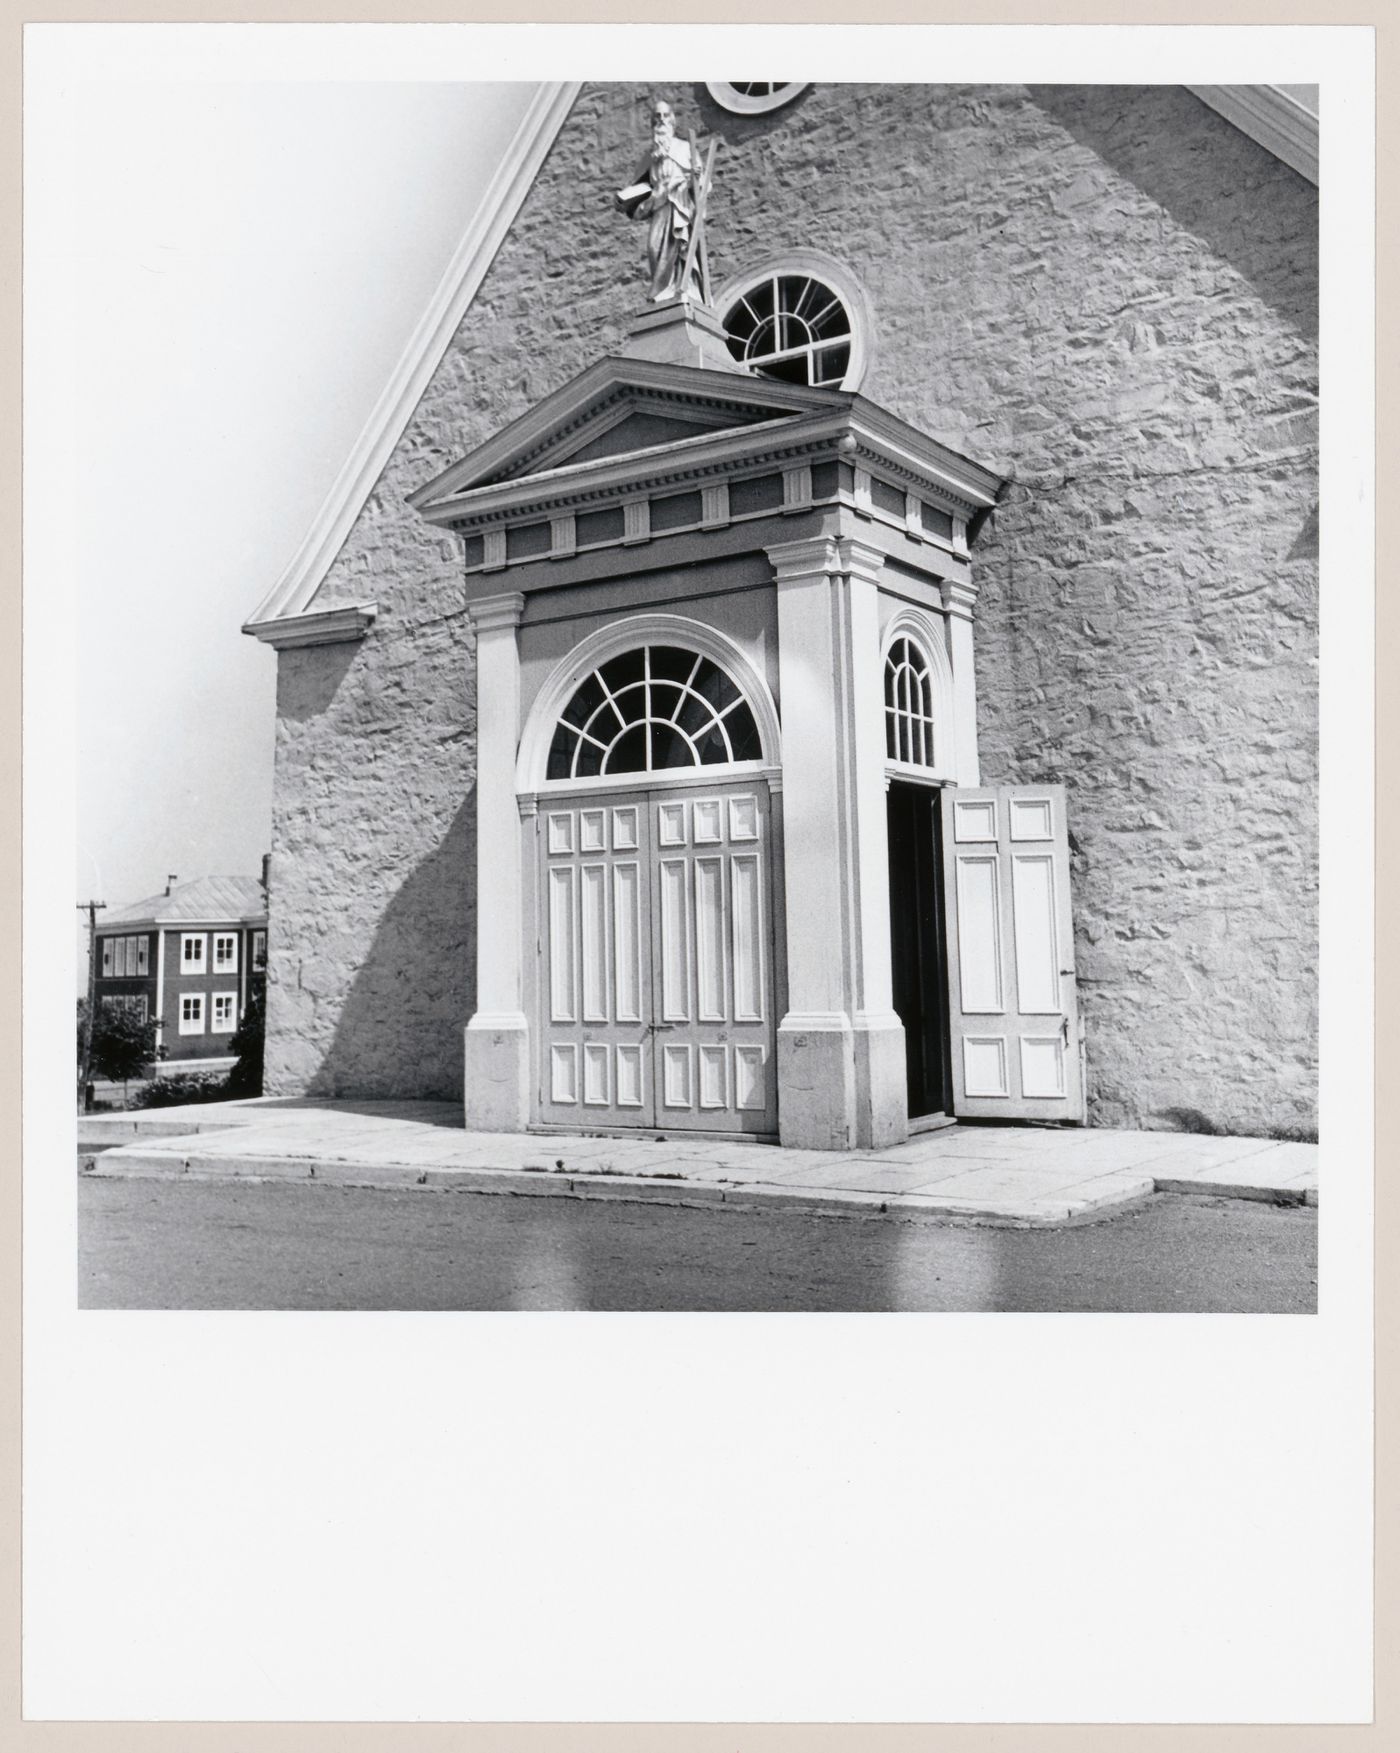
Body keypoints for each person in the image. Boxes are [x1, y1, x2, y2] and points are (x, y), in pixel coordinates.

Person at [616, 98, 703, 303]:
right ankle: (662, 290)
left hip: (680, 204)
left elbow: (702, 185)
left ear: (672, 120)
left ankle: (682, 287)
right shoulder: (650, 157)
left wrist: (695, 179)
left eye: (665, 115)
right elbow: (638, 188)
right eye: (657, 116)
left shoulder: (685, 148)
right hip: (659, 208)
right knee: (654, 248)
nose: (661, 120)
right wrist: (626, 200)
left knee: (679, 246)